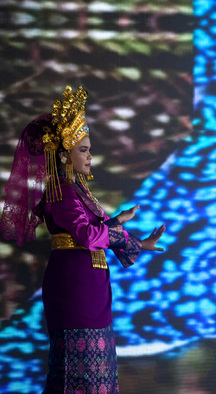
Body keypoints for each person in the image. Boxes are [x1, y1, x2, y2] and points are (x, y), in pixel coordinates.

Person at [0, 85, 166, 393]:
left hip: (91, 283)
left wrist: (138, 243)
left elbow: (100, 234)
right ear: (64, 155)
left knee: (98, 368)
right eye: (83, 150)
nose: (89, 156)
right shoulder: (60, 191)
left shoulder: (79, 192)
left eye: (88, 149)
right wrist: (118, 224)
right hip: (73, 284)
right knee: (76, 373)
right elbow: (89, 236)